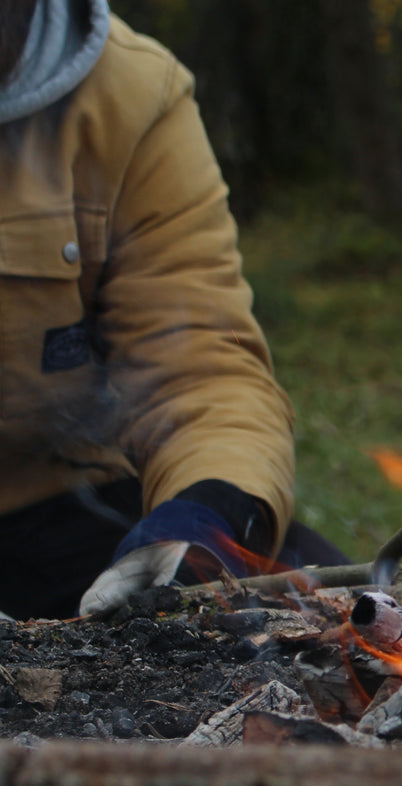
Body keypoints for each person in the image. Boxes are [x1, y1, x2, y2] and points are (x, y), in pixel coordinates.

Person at [0, 0, 347, 620]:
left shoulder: (127, 95)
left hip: (59, 505)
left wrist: (205, 520)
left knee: (326, 620)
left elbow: (199, 370)